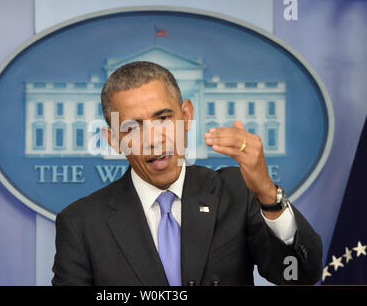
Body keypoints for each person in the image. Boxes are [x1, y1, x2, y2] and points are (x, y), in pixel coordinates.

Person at [52, 61, 322, 286]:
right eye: (133, 127)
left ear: (186, 116)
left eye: (163, 119)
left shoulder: (235, 192)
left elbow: (299, 275)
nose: (154, 139)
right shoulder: (81, 224)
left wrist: (267, 193)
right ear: (113, 139)